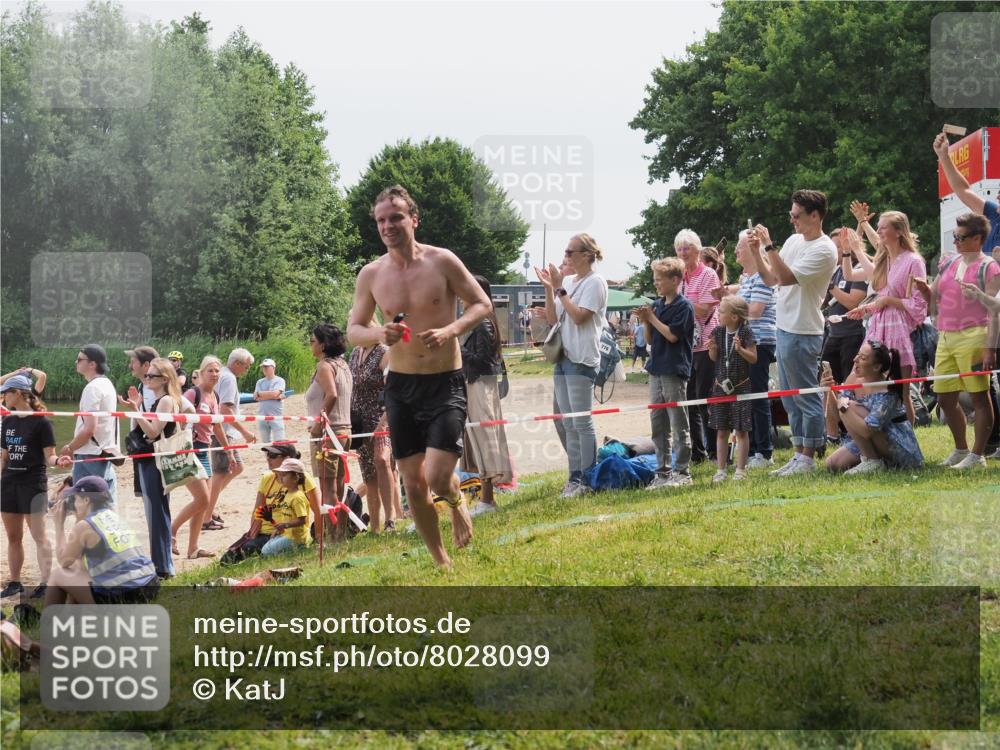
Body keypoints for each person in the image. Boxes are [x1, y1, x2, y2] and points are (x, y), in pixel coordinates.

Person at [347, 185, 491, 566]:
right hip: (401, 386)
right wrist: (380, 334)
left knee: (439, 477)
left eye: (395, 217)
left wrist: (452, 330)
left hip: (444, 381)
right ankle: (441, 561)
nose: (387, 226)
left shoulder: (442, 261)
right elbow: (354, 329)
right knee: (413, 483)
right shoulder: (372, 274)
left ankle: (457, 500)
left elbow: (482, 303)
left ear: (413, 218)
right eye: (380, 220)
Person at [750, 190, 839, 476]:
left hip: (804, 330)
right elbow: (771, 278)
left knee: (806, 397)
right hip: (784, 327)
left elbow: (787, 278)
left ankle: (809, 456)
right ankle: (799, 453)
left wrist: (769, 245)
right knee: (789, 398)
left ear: (815, 215)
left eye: (796, 216)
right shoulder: (793, 241)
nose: (793, 221)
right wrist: (756, 250)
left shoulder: (825, 249)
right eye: (791, 215)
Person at [913, 213, 1000, 469]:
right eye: (954, 237)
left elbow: (995, 309)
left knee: (978, 397)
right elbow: (935, 293)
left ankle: (977, 455)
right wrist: (923, 289)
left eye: (961, 238)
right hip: (946, 337)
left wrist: (990, 348)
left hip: (975, 334)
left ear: (977, 239)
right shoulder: (950, 264)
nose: (956, 242)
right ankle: (961, 449)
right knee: (944, 398)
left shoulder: (990, 267)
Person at [935, 129, 1000, 458]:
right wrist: (944, 156)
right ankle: (983, 447)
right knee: (984, 386)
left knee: (984, 386)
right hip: (984, 312)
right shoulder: (993, 212)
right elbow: (960, 188)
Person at [535, 233, 609, 498]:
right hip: (563, 358)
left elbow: (579, 317)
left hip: (581, 359)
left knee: (581, 422)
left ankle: (588, 478)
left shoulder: (596, 283)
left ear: (587, 255)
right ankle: (574, 478)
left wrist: (560, 289)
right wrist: (550, 288)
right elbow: (555, 318)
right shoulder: (567, 281)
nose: (565, 257)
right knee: (568, 423)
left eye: (570, 252)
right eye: (565, 252)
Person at [843, 204, 927, 423]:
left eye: (883, 227)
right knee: (863, 386)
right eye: (877, 227)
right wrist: (867, 308)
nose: (879, 231)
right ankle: (873, 435)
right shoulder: (885, 260)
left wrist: (888, 301)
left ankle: (908, 444)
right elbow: (881, 297)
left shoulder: (914, 261)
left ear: (899, 231)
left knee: (901, 393)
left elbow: (919, 305)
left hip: (899, 331)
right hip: (877, 327)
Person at [45, 476, 159, 606]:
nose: (74, 504)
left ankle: (49, 623)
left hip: (126, 596)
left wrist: (58, 525)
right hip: (149, 586)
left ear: (86, 500)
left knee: (57, 575)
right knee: (77, 566)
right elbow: (77, 562)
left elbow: (64, 561)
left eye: (76, 498)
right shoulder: (113, 516)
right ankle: (77, 619)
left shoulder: (84, 526)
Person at [121, 357, 187, 579]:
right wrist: (138, 406)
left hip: (157, 462)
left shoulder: (166, 401)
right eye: (147, 375)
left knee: (158, 512)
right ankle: (161, 564)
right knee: (155, 511)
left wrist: (136, 410)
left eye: (151, 376)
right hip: (151, 460)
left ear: (164, 379)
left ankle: (163, 567)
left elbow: (151, 432)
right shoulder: (160, 400)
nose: (146, 378)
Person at [634, 257, 694, 489]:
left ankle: (682, 471)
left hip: (674, 370)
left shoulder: (684, 307)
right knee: (658, 423)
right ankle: (662, 472)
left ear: (675, 280)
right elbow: (650, 339)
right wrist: (646, 322)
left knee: (678, 422)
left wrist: (652, 318)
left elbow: (672, 336)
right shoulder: (657, 305)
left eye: (660, 279)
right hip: (656, 368)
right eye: (655, 279)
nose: (656, 283)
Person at [824, 342, 924, 474]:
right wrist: (829, 389)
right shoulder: (854, 378)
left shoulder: (888, 392)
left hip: (897, 446)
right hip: (870, 438)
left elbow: (867, 431)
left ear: (877, 367)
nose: (855, 360)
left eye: (863, 358)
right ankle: (874, 460)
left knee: (850, 406)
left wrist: (843, 407)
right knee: (832, 464)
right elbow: (838, 416)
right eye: (858, 355)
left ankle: (872, 461)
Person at [461, 275, 514, 513]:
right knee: (480, 438)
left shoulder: (482, 322)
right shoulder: (478, 321)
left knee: (485, 438)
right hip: (476, 383)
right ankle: (486, 496)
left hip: (480, 384)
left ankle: (488, 498)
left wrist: (457, 348)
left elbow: (483, 361)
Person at [1, 374, 56, 599]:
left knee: (39, 536)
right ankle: (15, 582)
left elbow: (50, 457)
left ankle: (46, 582)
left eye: (6, 393)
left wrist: (60, 461)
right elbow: (4, 456)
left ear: (19, 394)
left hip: (33, 483)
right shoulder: (8, 419)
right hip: (9, 482)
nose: (3, 397)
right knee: (13, 536)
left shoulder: (42, 422)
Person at [172, 355, 230, 559]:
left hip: (204, 449)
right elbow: (176, 416)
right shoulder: (193, 393)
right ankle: (172, 531)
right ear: (201, 372)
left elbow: (217, 424)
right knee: (203, 499)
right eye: (210, 370)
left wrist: (227, 449)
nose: (214, 374)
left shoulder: (214, 396)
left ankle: (193, 548)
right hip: (190, 449)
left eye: (217, 371)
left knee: (203, 502)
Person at [731, 230, 777, 468]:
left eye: (739, 247)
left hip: (760, 341)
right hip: (748, 341)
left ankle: (765, 452)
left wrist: (731, 311)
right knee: (748, 397)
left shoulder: (761, 276)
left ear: (751, 249)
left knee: (758, 396)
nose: (736, 251)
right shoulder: (747, 278)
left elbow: (756, 310)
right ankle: (752, 449)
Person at [675, 229, 720, 463]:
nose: (683, 253)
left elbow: (705, 308)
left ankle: (714, 450)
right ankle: (697, 452)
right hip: (686, 346)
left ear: (698, 251)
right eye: (680, 249)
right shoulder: (678, 277)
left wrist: (681, 304)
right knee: (689, 400)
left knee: (705, 398)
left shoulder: (708, 274)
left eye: (687, 248)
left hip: (706, 343)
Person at [822, 227, 869, 444]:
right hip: (833, 335)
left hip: (852, 335)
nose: (836, 250)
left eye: (839, 246)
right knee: (828, 384)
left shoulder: (858, 270)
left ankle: (851, 430)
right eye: (834, 246)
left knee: (849, 387)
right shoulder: (834, 270)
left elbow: (852, 301)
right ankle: (831, 433)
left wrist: (830, 287)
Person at [57, 344, 119, 502]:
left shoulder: (92, 388)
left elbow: (89, 429)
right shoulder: (107, 384)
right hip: (103, 452)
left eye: (79, 359)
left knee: (87, 508)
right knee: (106, 505)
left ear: (92, 364)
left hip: (89, 454)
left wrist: (70, 447)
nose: (76, 362)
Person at [348, 326, 395, 532]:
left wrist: (383, 422)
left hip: (380, 416)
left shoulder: (383, 352)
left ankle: (390, 519)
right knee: (369, 473)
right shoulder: (355, 353)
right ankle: (375, 524)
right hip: (359, 420)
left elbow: (392, 389)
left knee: (383, 461)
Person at [707, 296, 757, 482]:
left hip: (741, 388)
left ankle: (740, 469)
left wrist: (740, 350)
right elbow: (714, 358)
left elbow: (753, 358)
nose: (718, 314)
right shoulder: (718, 332)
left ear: (734, 316)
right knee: (721, 430)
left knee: (741, 430)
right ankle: (721, 469)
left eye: (721, 311)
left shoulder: (746, 332)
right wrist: (712, 349)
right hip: (720, 387)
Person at [206, 348, 256, 529]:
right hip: (222, 432)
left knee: (235, 468)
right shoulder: (228, 378)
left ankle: (209, 507)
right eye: (247, 367)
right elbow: (225, 410)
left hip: (221, 431)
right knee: (221, 473)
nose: (247, 370)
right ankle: (207, 513)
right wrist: (245, 432)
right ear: (237, 364)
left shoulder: (223, 376)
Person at [306, 324, 354, 508]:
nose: (311, 345)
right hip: (343, 430)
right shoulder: (343, 365)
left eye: (313, 341)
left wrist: (319, 424)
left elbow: (332, 394)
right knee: (339, 486)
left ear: (323, 345)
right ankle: (339, 534)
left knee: (328, 488)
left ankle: (331, 535)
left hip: (329, 432)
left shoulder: (324, 366)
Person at [261, 458, 311, 557]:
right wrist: (278, 530)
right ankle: (294, 549)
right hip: (288, 534)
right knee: (267, 547)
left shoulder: (297, 497)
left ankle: (300, 547)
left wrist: (285, 525)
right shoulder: (287, 493)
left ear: (296, 477)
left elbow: (302, 520)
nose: (280, 478)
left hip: (296, 537)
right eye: (279, 475)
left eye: (284, 475)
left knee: (266, 551)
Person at [253, 358, 287, 445]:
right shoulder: (259, 382)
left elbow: (275, 394)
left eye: (267, 367)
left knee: (280, 442)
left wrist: (261, 394)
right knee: (265, 443)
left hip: (276, 416)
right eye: (263, 367)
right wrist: (275, 396)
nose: (264, 369)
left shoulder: (280, 380)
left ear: (273, 368)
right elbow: (256, 397)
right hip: (262, 415)